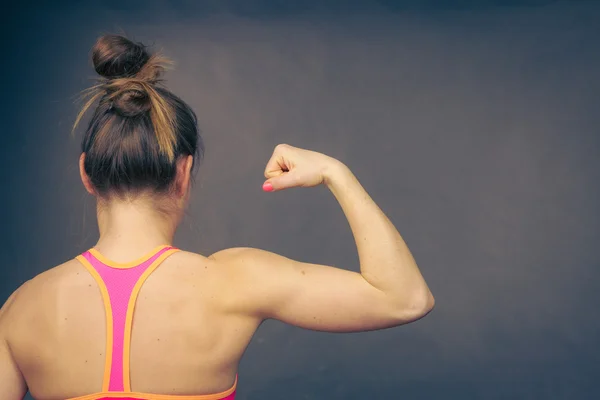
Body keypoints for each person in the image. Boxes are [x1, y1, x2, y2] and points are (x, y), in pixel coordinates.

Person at [0, 35, 434, 400]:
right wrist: (336, 172)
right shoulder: (234, 281)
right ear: (183, 173)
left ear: (86, 174)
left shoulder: (20, 310)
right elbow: (405, 299)